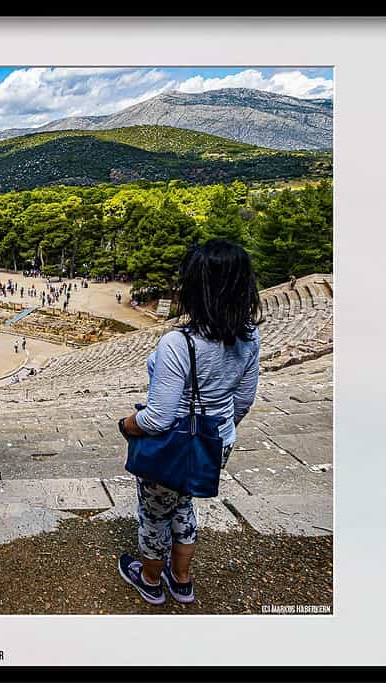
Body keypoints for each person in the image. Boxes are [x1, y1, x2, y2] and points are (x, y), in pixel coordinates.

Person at [116, 239, 261, 606]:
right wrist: (219, 432)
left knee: (154, 515)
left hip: (172, 445)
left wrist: (127, 425)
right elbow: (242, 400)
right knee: (184, 505)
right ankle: (181, 581)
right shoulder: (248, 335)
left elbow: (159, 417)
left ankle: (149, 580)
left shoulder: (179, 344)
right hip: (216, 441)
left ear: (195, 288)